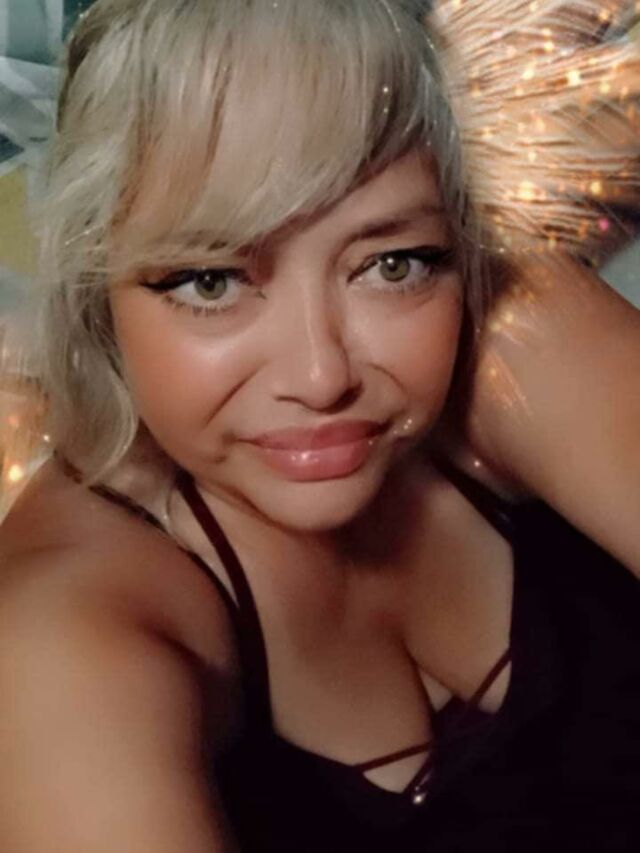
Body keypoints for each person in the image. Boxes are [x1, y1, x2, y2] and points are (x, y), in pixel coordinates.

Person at [0, 1, 638, 851]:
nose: (321, 375)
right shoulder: (55, 637)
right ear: (98, 293)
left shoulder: (511, 326)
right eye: (211, 281)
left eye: (391, 264)